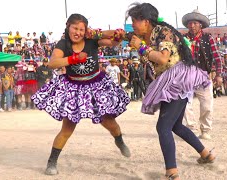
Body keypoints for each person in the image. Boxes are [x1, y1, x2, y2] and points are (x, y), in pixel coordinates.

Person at [31, 13, 131, 175]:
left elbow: (113, 40)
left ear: (86, 31)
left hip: (96, 86)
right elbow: (53, 63)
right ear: (68, 26)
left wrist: (111, 35)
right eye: (75, 28)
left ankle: (119, 140)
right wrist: (74, 58)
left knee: (109, 122)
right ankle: (52, 162)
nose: (77, 32)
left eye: (81, 29)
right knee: (67, 128)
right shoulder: (63, 44)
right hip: (74, 88)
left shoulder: (92, 41)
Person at [126, 3, 215, 179]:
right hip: (172, 80)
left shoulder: (162, 32)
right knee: (175, 126)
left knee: (163, 127)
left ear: (145, 21)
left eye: (135, 21)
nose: (133, 25)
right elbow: (117, 36)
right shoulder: (147, 34)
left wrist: (141, 47)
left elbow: (162, 58)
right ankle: (206, 154)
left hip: (176, 80)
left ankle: (172, 171)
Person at [182, 9, 223, 139]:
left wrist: (219, 74)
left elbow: (217, 57)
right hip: (186, 76)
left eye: (194, 23)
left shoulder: (208, 38)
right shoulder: (182, 39)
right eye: (190, 23)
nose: (192, 25)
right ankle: (191, 129)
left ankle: (205, 130)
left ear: (200, 25)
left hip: (203, 76)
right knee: (184, 105)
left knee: (207, 105)